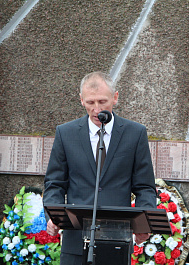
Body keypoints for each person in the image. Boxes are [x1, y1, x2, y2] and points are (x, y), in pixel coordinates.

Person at [43, 71, 156, 265]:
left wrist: (142, 223)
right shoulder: (66, 133)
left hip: (117, 241)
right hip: (75, 242)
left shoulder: (135, 134)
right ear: (81, 100)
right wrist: (53, 215)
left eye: (103, 102)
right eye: (90, 102)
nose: (97, 109)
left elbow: (144, 187)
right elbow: (54, 183)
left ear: (115, 97)